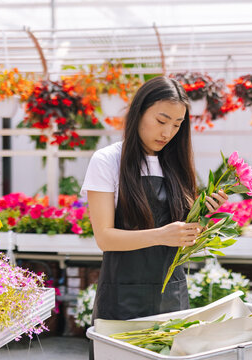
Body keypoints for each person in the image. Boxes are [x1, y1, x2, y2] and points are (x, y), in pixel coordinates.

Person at [80, 76, 228, 336]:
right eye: (161, 121)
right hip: (122, 298)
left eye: (176, 125)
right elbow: (105, 238)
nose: (167, 133)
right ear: (139, 113)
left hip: (172, 295)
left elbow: (183, 241)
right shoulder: (107, 160)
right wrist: (162, 235)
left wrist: (202, 219)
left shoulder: (177, 165)